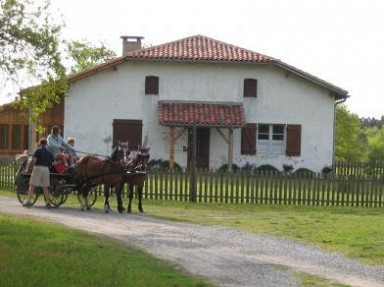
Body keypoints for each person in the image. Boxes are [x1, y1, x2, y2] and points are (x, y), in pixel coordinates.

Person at [23, 138, 55, 208]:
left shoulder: (38, 150)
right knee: (45, 187)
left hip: (38, 168)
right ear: (46, 144)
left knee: (32, 185)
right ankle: (48, 202)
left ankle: (29, 201)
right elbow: (54, 162)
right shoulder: (49, 152)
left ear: (40, 143)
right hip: (46, 169)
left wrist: (28, 169)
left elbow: (33, 160)